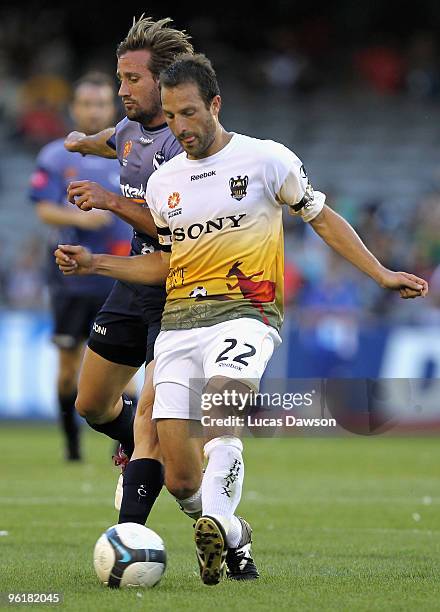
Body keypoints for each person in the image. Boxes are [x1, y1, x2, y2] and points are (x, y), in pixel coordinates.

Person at [55, 54, 429, 585]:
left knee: (224, 399)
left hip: (247, 315)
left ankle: (218, 519)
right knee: (182, 477)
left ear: (215, 104)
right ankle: (229, 532)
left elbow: (320, 217)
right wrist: (97, 263)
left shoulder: (266, 159)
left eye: (190, 113)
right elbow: (166, 260)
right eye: (172, 116)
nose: (181, 127)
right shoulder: (165, 183)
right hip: (180, 321)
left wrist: (380, 273)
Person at [62, 16, 193, 523]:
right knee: (91, 403)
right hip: (132, 279)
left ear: (164, 82)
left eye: (132, 79)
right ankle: (137, 450)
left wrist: (109, 200)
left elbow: (171, 230)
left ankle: (128, 537)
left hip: (176, 287)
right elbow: (111, 141)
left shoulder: (183, 146)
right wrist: (79, 141)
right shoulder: (131, 129)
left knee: (151, 423)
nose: (122, 90)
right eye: (119, 79)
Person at [30, 72, 132, 461]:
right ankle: (72, 447)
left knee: (122, 367)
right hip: (69, 277)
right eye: (87, 104)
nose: (94, 111)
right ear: (75, 109)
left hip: (118, 272)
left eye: (102, 104)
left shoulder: (130, 151)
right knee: (69, 366)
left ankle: (124, 445)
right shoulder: (56, 156)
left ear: (113, 108)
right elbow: (42, 208)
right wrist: (83, 218)